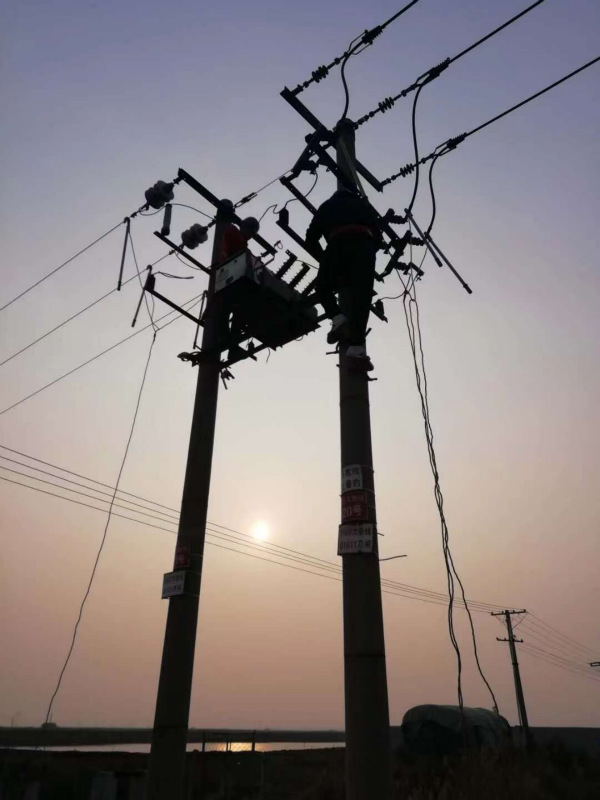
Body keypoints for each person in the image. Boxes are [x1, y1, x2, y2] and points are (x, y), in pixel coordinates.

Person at [305, 188, 381, 369]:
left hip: (337, 243)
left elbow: (311, 239)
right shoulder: (364, 205)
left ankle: (338, 319)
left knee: (323, 287)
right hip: (364, 247)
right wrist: (367, 253)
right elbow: (378, 239)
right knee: (362, 298)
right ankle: (356, 349)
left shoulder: (327, 206)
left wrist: (325, 260)